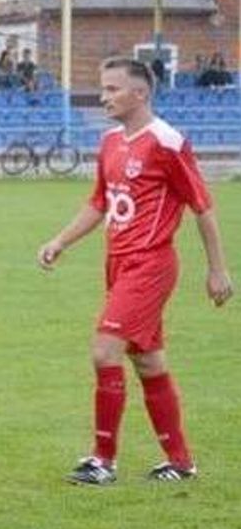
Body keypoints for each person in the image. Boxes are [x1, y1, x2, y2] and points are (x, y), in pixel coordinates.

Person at [38, 57, 233, 486]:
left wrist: (217, 270)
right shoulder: (110, 141)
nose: (103, 97)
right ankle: (180, 461)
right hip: (118, 263)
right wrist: (60, 241)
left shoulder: (167, 142)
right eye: (103, 88)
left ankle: (102, 461)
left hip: (151, 264)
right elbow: (99, 202)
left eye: (112, 89)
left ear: (140, 93)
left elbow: (202, 207)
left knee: (104, 351)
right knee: (147, 361)